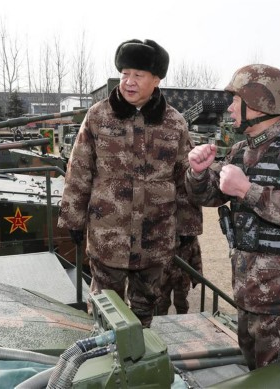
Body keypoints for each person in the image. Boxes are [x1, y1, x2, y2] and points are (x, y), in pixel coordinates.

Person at [185, 64, 280, 370]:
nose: (229, 107)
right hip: (247, 292)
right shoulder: (241, 150)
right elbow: (207, 195)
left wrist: (247, 189)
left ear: (258, 103)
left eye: (235, 100)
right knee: (253, 373)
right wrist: (198, 173)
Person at [58, 39, 202, 327]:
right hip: (108, 237)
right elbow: (80, 169)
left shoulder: (174, 123)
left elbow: (184, 177)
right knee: (102, 312)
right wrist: (73, 219)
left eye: (138, 75)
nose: (129, 81)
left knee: (146, 314)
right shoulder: (98, 116)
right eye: (125, 73)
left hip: (155, 240)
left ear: (156, 79)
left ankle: (142, 366)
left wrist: (188, 228)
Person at [157, 235, 203, 315]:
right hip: (164, 275)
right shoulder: (162, 229)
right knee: (161, 303)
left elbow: (195, 253)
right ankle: (158, 324)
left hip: (182, 275)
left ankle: (182, 321)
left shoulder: (189, 234)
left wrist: (197, 276)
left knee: (182, 304)